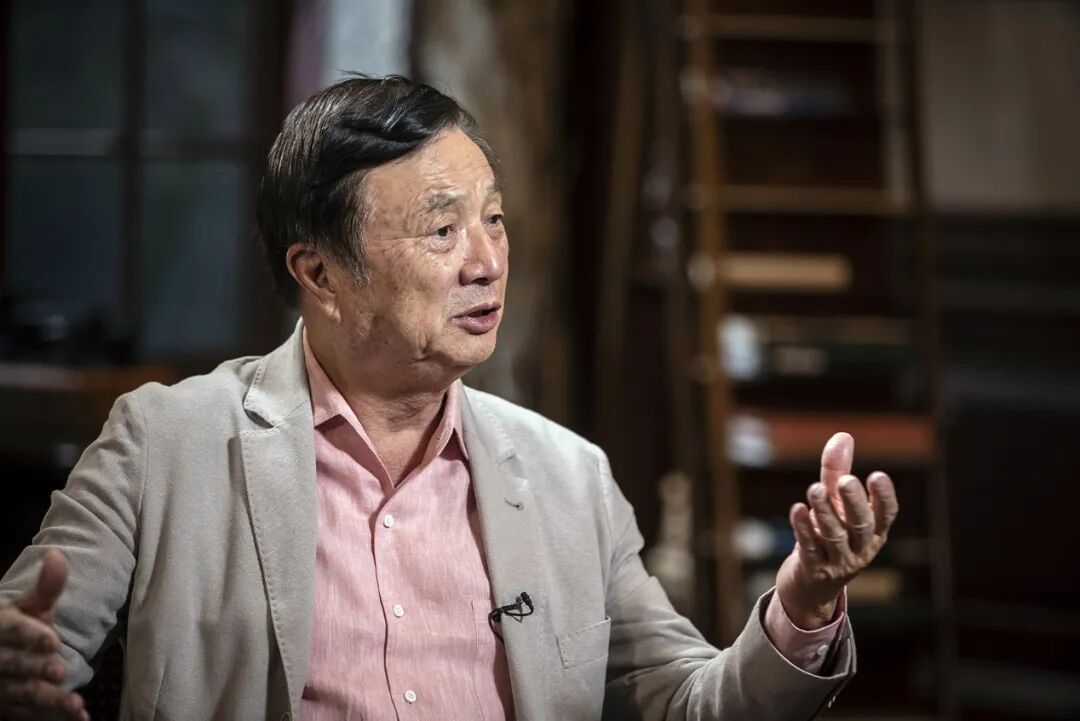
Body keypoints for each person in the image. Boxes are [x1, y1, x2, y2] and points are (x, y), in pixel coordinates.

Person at [0, 75, 898, 721]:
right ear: (320, 273)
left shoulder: (568, 476)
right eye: (442, 229)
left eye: (494, 219)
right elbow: (27, 637)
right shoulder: (166, 441)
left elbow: (691, 701)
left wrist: (806, 600)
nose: (487, 260)